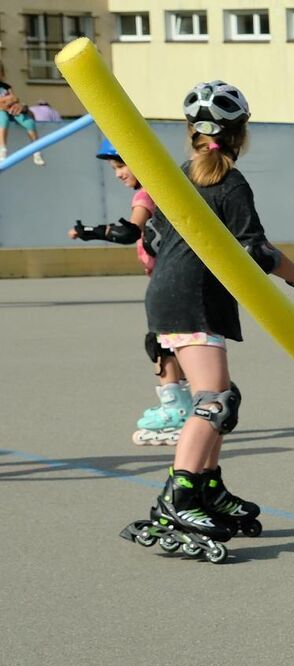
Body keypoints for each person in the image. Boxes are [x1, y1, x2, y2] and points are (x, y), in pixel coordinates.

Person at [120, 80, 294, 563]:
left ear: (192, 133)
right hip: (192, 299)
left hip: (177, 296)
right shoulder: (230, 182)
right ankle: (179, 498)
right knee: (213, 401)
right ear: (241, 134)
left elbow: (152, 241)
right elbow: (257, 251)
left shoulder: (176, 176)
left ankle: (209, 488)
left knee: (220, 398)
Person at [69, 136, 191, 445]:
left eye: (121, 165)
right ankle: (190, 403)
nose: (119, 174)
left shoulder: (146, 195)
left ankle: (175, 408)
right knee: (177, 342)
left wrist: (90, 233)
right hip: (178, 277)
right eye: (114, 168)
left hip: (169, 281)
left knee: (161, 342)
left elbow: (129, 231)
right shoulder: (162, 189)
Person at [0, 78, 44, 165]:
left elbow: (15, 99)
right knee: (3, 119)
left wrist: (21, 106)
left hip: (11, 109)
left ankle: (36, 151)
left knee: (29, 123)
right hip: (2, 111)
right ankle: (2, 149)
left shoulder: (6, 86)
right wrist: (6, 101)